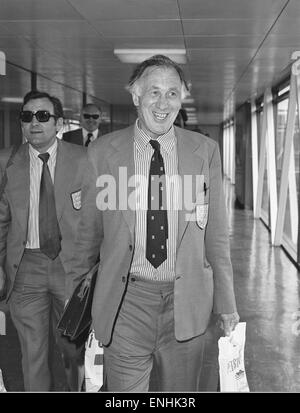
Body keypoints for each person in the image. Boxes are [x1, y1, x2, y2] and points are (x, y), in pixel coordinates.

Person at [68, 55, 239, 392]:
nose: (163, 103)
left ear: (182, 98)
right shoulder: (102, 153)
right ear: (136, 97)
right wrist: (80, 304)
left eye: (172, 93)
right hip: (126, 301)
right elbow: (86, 238)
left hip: (187, 300)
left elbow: (216, 236)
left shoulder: (205, 151)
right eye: (154, 93)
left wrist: (227, 303)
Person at [0, 90, 88, 391]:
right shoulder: (6, 163)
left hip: (71, 269)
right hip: (26, 269)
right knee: (32, 353)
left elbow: (99, 220)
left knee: (72, 351)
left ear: (59, 122)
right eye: (27, 116)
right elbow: (0, 221)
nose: (34, 123)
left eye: (42, 116)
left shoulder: (84, 160)